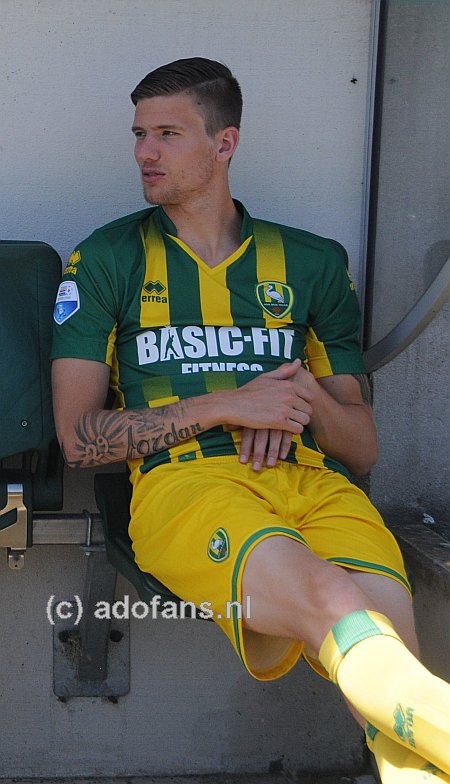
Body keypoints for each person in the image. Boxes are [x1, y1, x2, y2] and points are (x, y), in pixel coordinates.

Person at [51, 57, 450, 783]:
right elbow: (78, 441)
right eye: (140, 133)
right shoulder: (107, 258)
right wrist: (232, 403)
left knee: (390, 646)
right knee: (338, 606)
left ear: (225, 143)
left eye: (168, 133)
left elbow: (361, 446)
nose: (145, 152)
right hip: (187, 489)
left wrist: (304, 398)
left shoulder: (311, 262)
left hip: (318, 486)